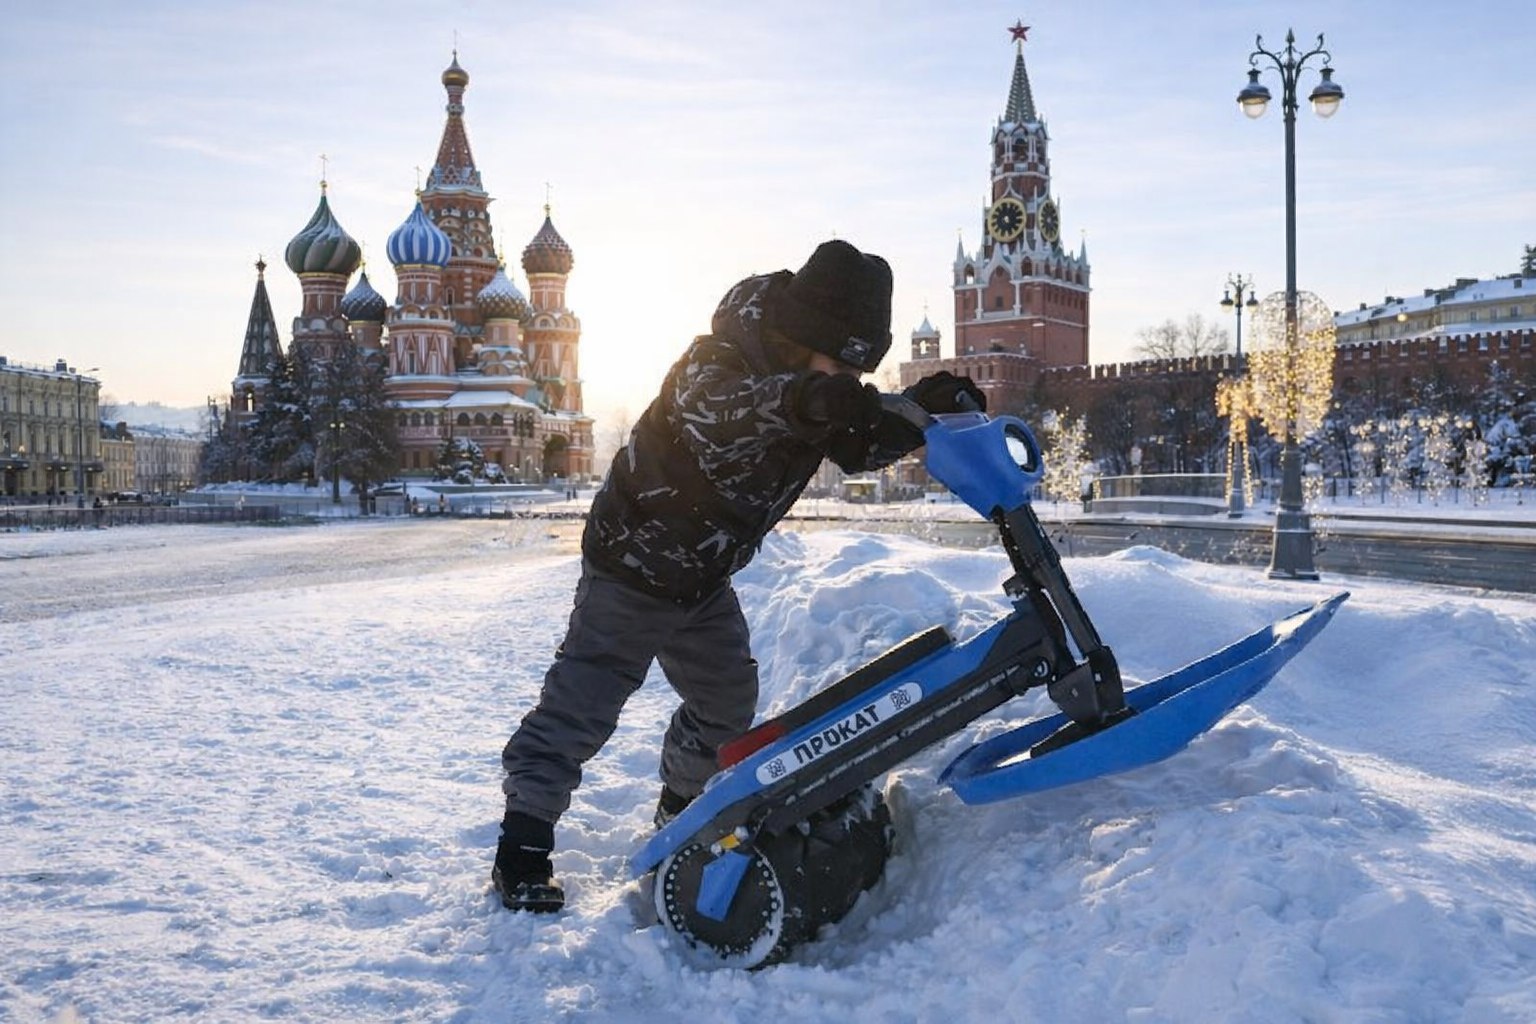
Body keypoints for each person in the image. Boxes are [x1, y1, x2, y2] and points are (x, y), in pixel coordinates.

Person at [493, 239, 985, 913]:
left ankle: (679, 808)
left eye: (856, 367)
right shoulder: (716, 362)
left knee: (725, 703)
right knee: (583, 704)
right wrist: (817, 400)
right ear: (802, 335)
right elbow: (725, 415)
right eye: (839, 360)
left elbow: (857, 438)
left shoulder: (818, 390)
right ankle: (522, 846)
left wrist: (919, 408)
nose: (846, 376)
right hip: (632, 566)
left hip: (702, 578)